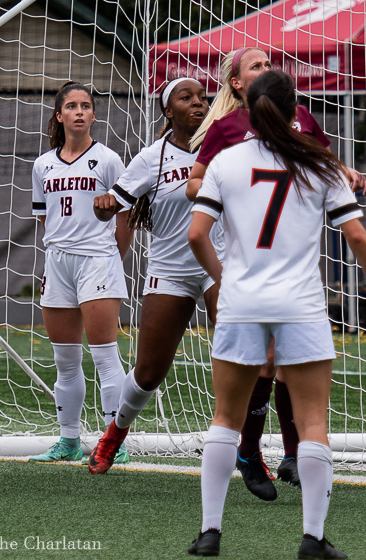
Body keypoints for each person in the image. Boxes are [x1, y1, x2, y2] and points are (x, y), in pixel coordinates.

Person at [186, 70, 366, 559]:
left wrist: (225, 279)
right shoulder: (320, 164)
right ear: (293, 108)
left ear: (250, 109)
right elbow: (359, 238)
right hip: (300, 306)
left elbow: (197, 234)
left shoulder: (224, 161)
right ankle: (312, 538)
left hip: (240, 303)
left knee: (225, 418)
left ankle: (210, 533)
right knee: (312, 423)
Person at [185, 45, 365, 494]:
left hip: (293, 257)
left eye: (269, 63)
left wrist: (344, 172)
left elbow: (324, 162)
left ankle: (292, 455)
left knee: (289, 363)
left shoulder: (301, 118)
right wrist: (229, 190)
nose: (267, 68)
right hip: (245, 257)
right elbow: (195, 183)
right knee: (263, 364)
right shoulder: (227, 129)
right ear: (237, 84)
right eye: (256, 65)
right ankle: (248, 451)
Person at [87, 77, 222, 474]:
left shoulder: (226, 149)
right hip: (171, 271)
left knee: (238, 357)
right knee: (148, 372)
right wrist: (104, 205)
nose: (198, 103)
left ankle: (247, 451)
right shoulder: (151, 158)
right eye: (186, 98)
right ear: (168, 111)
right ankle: (115, 432)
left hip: (220, 266)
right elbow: (114, 206)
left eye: (202, 97)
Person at [28, 82, 131, 463]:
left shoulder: (108, 160)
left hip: (98, 261)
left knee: (105, 356)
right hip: (57, 263)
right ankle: (68, 440)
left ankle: (112, 443)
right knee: (65, 360)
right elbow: (46, 220)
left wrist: (112, 257)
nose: (80, 111)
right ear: (59, 116)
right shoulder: (42, 164)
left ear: (93, 114)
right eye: (71, 106)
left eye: (86, 105)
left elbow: (125, 217)